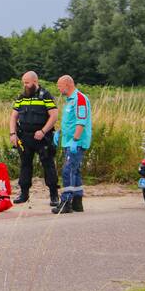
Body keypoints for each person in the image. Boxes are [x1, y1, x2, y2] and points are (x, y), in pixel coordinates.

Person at [9, 71, 60, 207]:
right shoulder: (21, 97)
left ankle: (54, 194)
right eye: (23, 83)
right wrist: (12, 134)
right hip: (25, 136)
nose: (25, 85)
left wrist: (43, 131)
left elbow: (54, 115)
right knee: (25, 165)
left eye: (27, 83)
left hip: (42, 137)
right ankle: (24, 193)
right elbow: (14, 116)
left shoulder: (45, 96)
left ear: (35, 82)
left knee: (48, 164)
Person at [54, 75, 92, 214]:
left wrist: (75, 140)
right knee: (74, 171)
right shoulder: (69, 101)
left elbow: (81, 121)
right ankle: (77, 202)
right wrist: (59, 131)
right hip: (68, 141)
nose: (58, 88)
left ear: (68, 84)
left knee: (67, 170)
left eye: (59, 85)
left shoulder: (80, 99)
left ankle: (66, 202)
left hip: (76, 142)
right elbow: (70, 121)